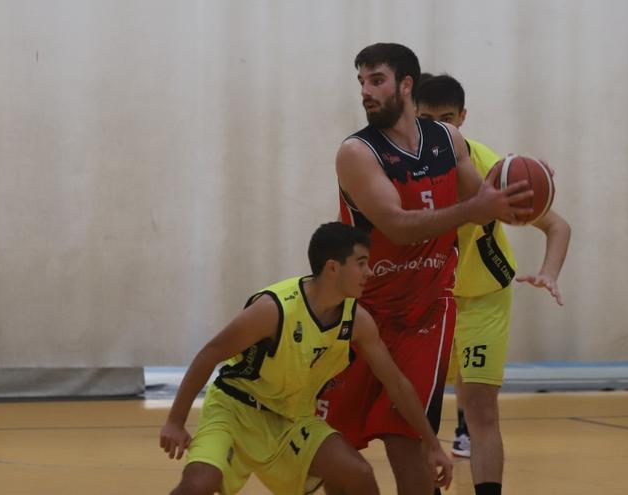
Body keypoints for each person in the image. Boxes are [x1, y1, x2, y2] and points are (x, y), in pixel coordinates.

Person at [318, 43, 532, 495]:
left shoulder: (448, 141)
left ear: (406, 84)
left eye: (376, 80)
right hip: (365, 312)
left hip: (426, 313)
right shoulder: (357, 152)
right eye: (361, 82)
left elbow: (482, 202)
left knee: (407, 439)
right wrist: (478, 206)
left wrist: (518, 191)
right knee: (333, 448)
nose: (366, 92)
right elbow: (397, 227)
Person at [159, 222, 453, 495]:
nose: (370, 272)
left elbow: (397, 384)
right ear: (333, 268)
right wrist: (175, 421)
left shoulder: (357, 321)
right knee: (199, 483)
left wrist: (431, 443)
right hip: (235, 410)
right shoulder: (273, 309)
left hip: (292, 417)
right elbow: (209, 354)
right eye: (361, 263)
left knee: (358, 473)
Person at [416, 73, 571, 495]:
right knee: (419, 414)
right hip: (428, 301)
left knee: (482, 410)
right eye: (427, 119)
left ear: (463, 117)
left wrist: (549, 272)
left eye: (448, 119)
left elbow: (557, 225)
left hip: (484, 296)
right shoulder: (400, 165)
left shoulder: (489, 166)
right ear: (412, 115)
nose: (439, 129)